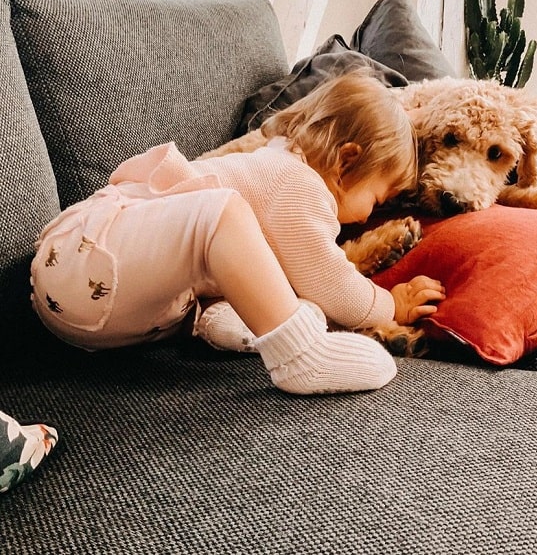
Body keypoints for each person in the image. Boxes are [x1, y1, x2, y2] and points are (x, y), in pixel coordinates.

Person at [30, 71, 445, 396]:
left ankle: (226, 326)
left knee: (239, 282)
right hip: (88, 256)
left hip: (87, 313)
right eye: (377, 196)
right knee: (223, 212)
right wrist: (390, 303)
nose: (371, 213)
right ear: (345, 161)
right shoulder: (295, 181)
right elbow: (332, 283)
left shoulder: (272, 169)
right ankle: (300, 356)